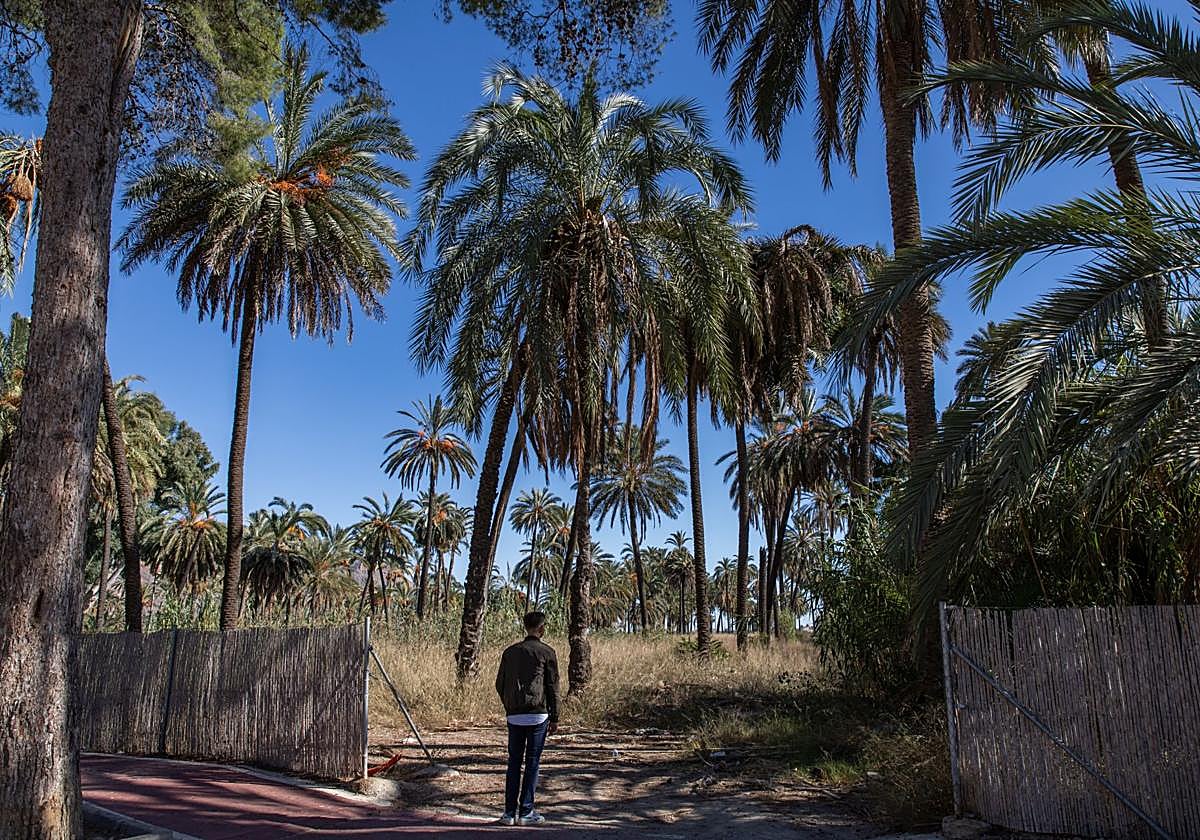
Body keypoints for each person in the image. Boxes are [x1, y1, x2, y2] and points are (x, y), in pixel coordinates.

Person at [494, 611, 559, 826]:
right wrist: (555, 716)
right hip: (538, 715)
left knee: (513, 763)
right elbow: (552, 687)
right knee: (532, 763)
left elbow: (499, 684)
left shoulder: (510, 652)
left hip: (514, 716)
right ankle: (526, 812)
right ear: (542, 628)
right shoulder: (547, 652)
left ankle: (508, 813)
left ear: (525, 627)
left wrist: (510, 705)